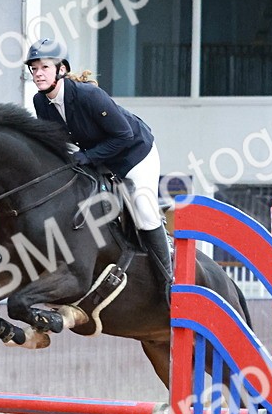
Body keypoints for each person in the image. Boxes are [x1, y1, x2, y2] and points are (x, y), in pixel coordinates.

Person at [24, 38, 172, 297]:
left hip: (134, 154)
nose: (38, 74)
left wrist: (88, 156)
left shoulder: (88, 95)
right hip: (99, 158)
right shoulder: (41, 103)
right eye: (34, 69)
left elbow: (124, 136)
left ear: (61, 70)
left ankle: (168, 282)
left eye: (44, 67)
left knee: (144, 209)